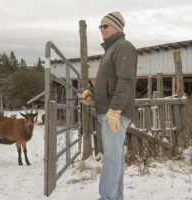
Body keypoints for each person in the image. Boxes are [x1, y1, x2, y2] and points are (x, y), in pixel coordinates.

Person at [80, 11, 137, 200]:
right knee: (116, 156)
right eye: (100, 26)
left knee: (111, 158)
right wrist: (92, 92)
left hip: (115, 113)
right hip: (110, 111)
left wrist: (115, 109)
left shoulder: (123, 46)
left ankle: (107, 198)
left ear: (117, 27)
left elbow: (126, 80)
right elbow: (108, 82)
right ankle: (116, 196)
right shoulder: (111, 50)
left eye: (105, 26)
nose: (101, 29)